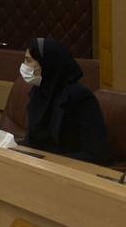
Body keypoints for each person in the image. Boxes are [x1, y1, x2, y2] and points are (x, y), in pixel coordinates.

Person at [20, 37, 112, 165]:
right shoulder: (38, 92)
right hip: (41, 166)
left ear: (47, 63)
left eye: (28, 60)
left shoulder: (80, 97)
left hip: (71, 168)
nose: (24, 65)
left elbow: (96, 153)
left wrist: (53, 162)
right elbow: (33, 140)